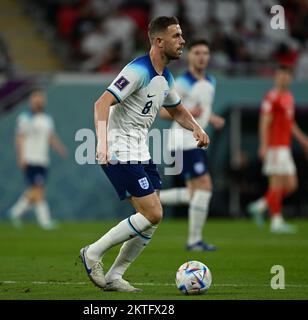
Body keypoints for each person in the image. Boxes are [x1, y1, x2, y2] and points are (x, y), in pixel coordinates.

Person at [79, 16, 210, 293]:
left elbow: (175, 109)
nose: (182, 41)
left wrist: (196, 128)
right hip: (117, 148)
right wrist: (101, 143)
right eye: (176, 36)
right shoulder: (138, 70)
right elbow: (102, 102)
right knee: (153, 212)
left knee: (153, 216)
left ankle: (115, 275)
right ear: (159, 41)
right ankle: (92, 253)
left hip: (139, 149)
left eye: (182, 35)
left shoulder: (166, 77)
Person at [158, 39, 225, 251]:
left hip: (197, 141)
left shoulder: (211, 81)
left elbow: (202, 109)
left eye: (205, 53)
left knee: (193, 194)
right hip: (182, 142)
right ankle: (194, 241)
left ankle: (151, 198)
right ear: (189, 56)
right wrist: (188, 112)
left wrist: (211, 117)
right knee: (205, 187)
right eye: (197, 53)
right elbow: (162, 112)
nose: (201, 57)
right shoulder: (181, 83)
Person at [247, 65, 308, 234]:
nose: (284, 78)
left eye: (287, 76)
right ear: (276, 77)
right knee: (277, 185)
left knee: (291, 185)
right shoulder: (271, 97)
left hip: (285, 147)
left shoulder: (288, 97)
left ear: (290, 78)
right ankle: (276, 221)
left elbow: (290, 123)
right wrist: (263, 145)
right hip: (275, 147)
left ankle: (261, 205)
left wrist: (304, 140)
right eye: (281, 75)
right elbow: (264, 122)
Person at [8, 89, 67, 230]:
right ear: (31, 100)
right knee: (38, 190)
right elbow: (19, 138)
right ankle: (45, 221)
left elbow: (51, 137)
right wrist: (21, 157)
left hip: (43, 160)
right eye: (36, 98)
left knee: (35, 190)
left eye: (41, 98)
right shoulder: (25, 118)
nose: (39, 100)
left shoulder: (47, 119)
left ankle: (15, 212)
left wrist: (60, 149)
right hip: (30, 159)